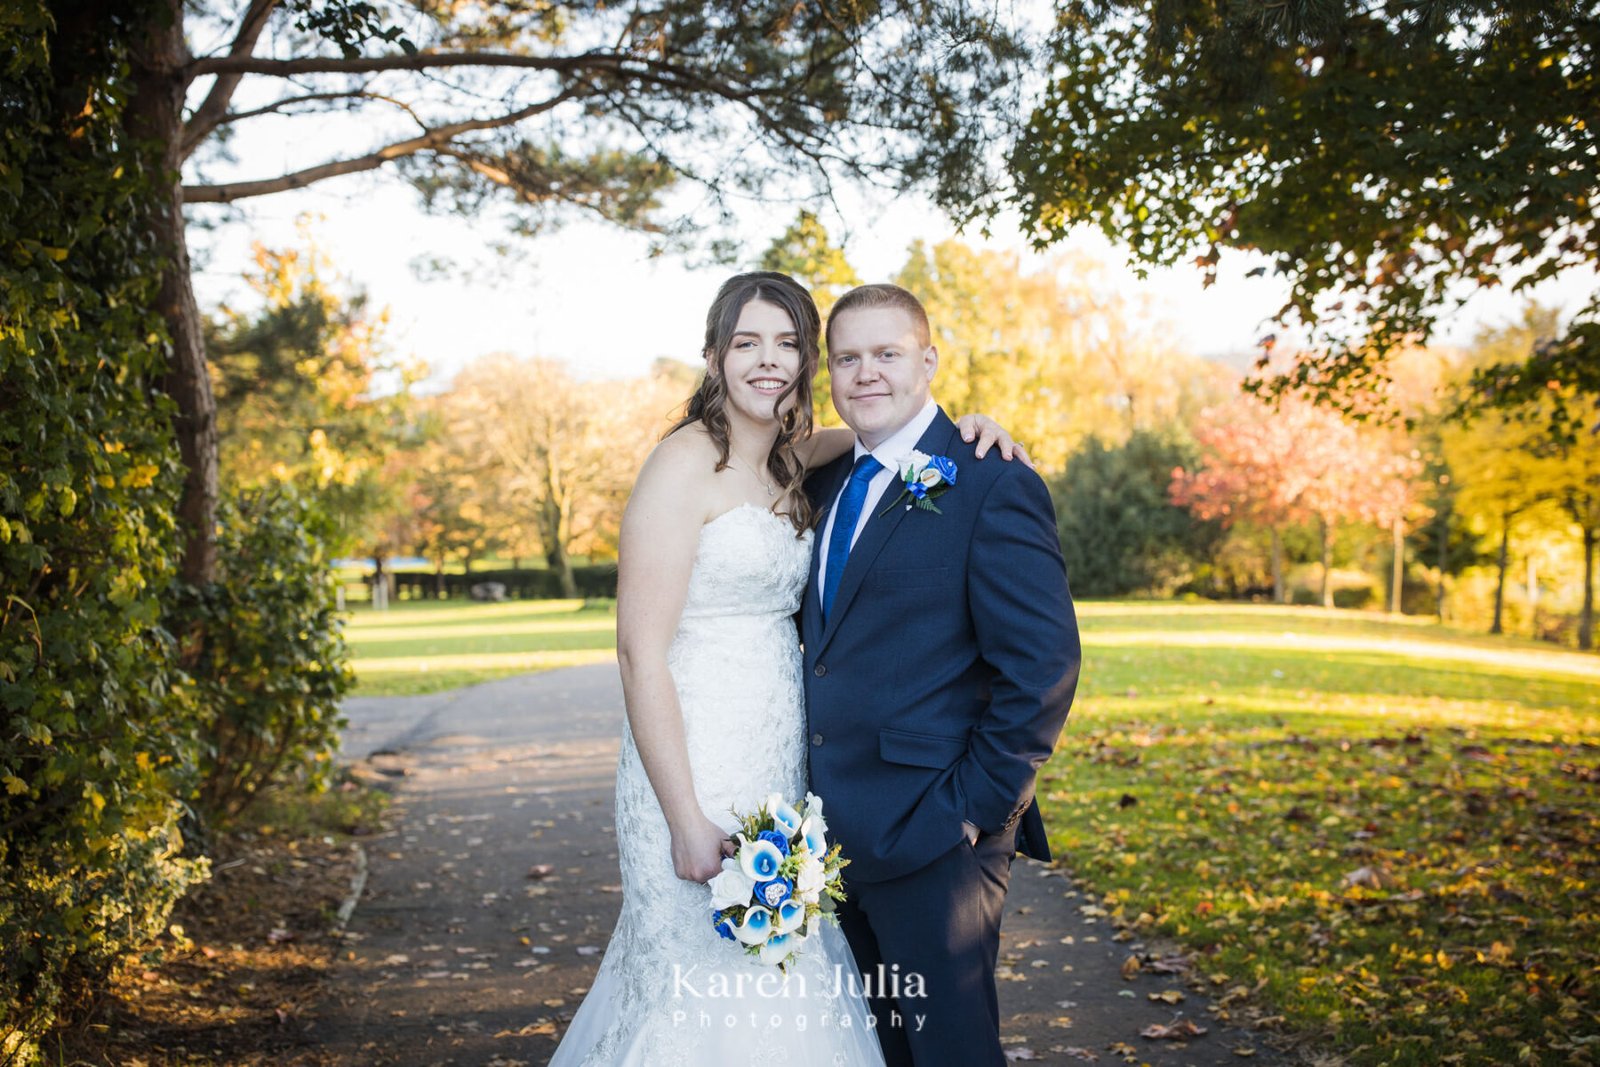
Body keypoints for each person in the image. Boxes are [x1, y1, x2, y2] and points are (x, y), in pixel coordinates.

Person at [548, 272, 1025, 1066]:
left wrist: (960, 432)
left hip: (778, 764)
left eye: (788, 344)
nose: (768, 361)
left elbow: (885, 439)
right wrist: (685, 818)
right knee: (700, 994)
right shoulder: (680, 465)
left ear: (807, 363)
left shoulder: (792, 461)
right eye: (746, 343)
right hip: (691, 761)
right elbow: (639, 653)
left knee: (787, 988)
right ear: (712, 356)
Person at [800, 283, 1080, 1067]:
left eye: (887, 354)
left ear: (928, 360)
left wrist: (978, 809)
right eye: (847, 358)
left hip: (936, 834)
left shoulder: (991, 480)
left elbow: (1044, 664)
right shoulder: (822, 485)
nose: (866, 374)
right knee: (872, 1049)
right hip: (828, 834)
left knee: (949, 1049)